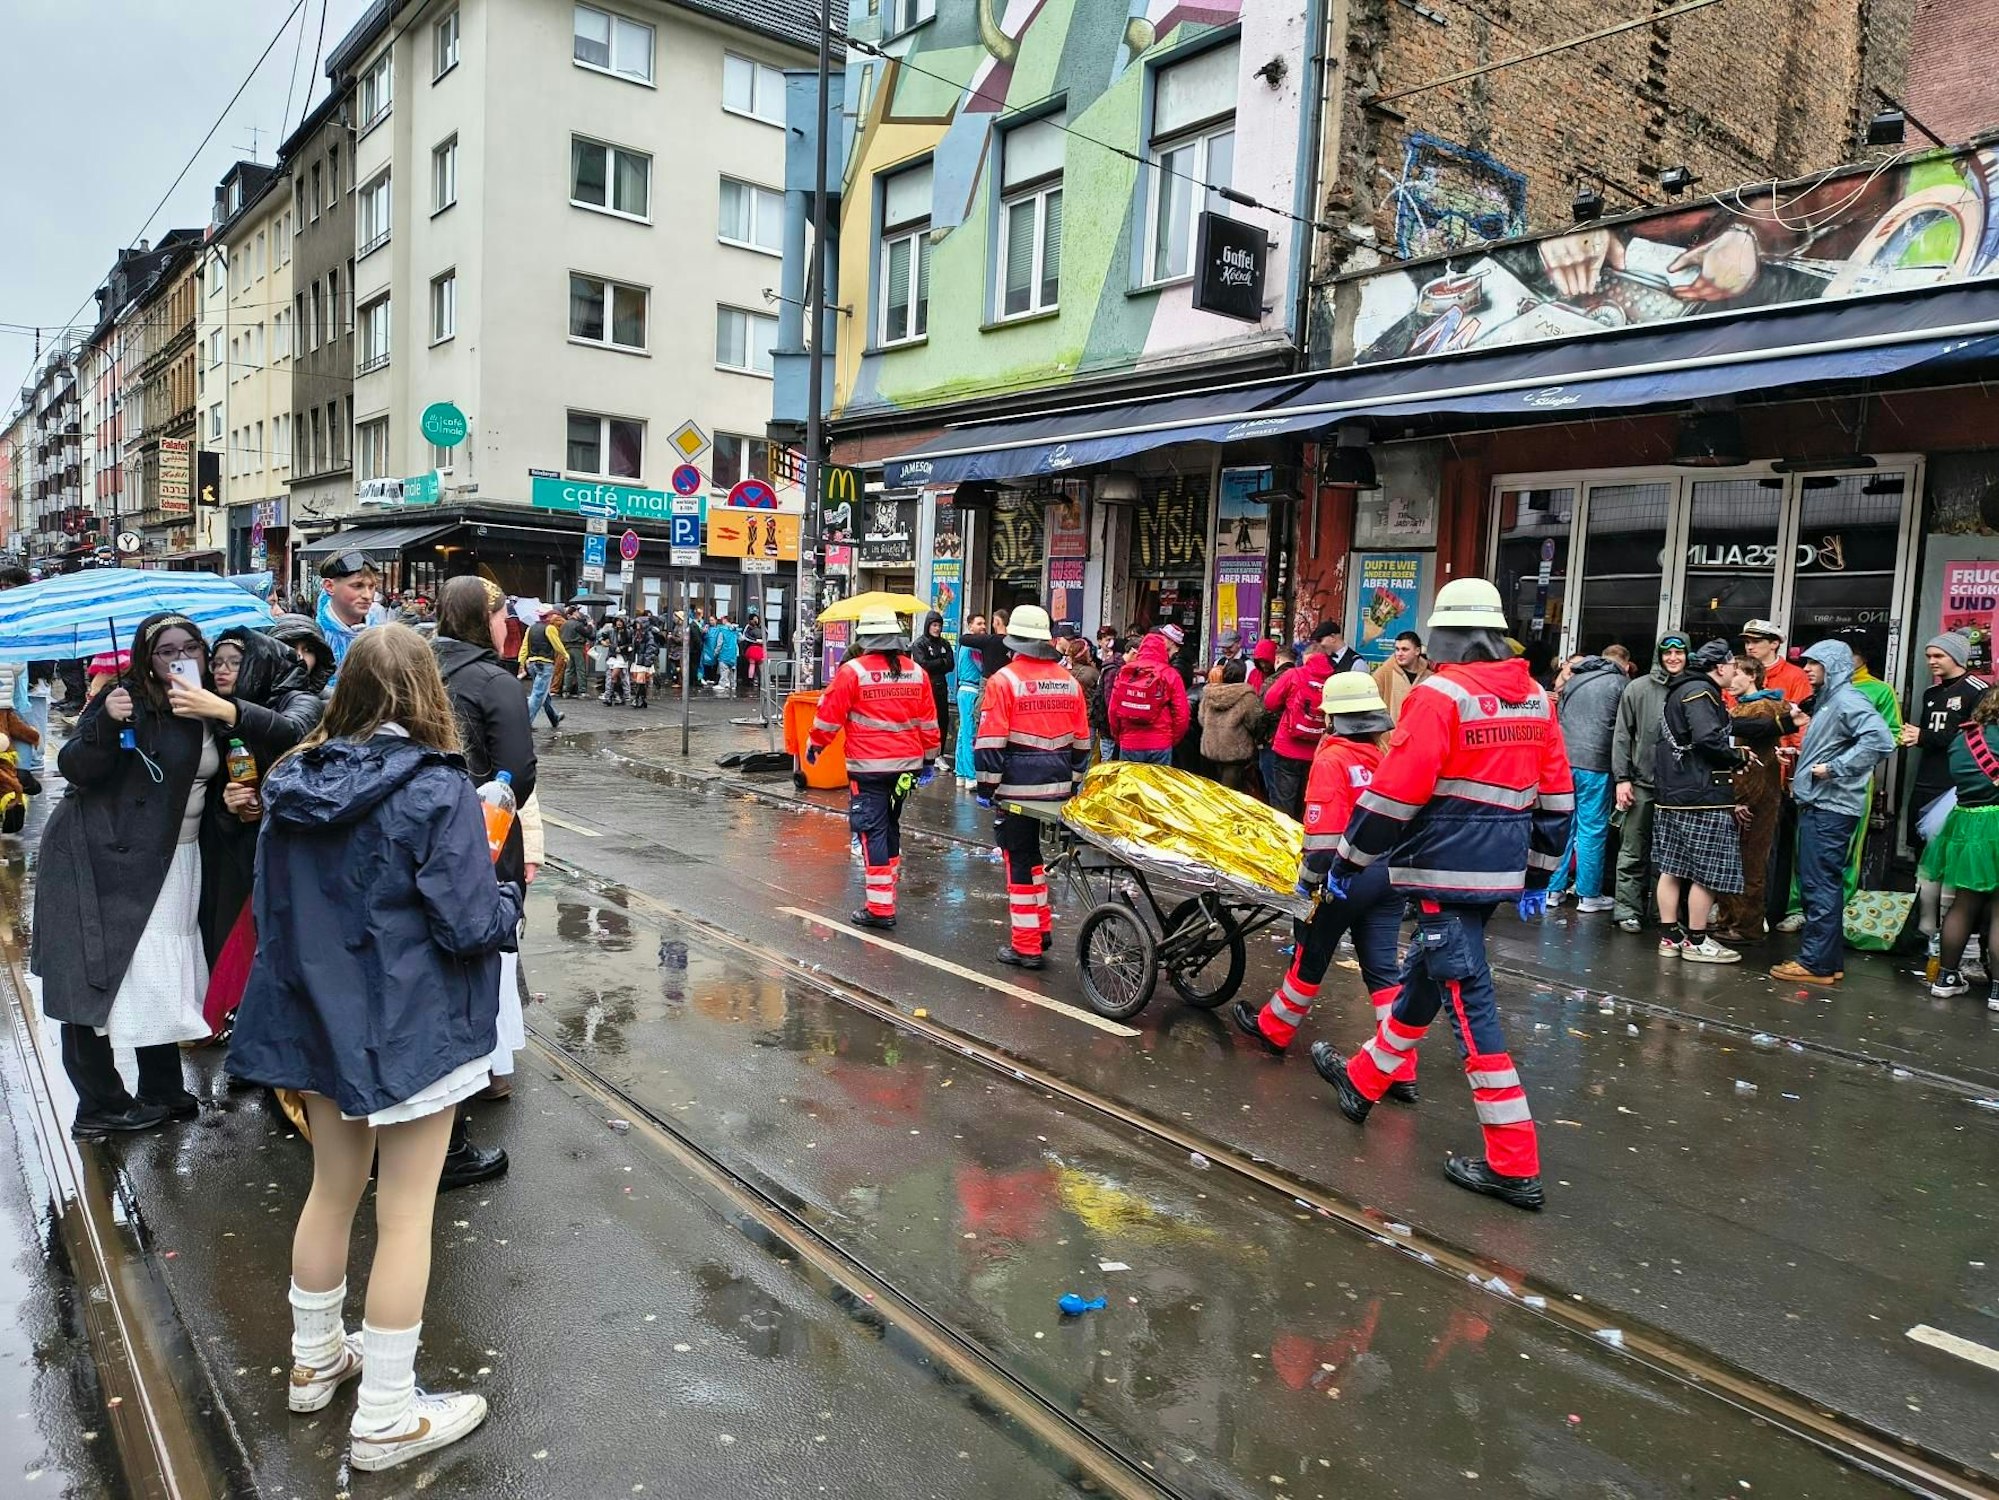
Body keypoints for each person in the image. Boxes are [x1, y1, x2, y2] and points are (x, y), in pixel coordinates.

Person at [226, 625, 521, 1472]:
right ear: (427, 692)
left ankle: (316, 1359)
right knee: (405, 1215)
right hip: (413, 1028)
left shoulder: (290, 781)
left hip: (317, 1021)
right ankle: (388, 1412)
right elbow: (468, 926)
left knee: (332, 1189)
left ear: (345, 689)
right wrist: (505, 896)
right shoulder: (438, 789)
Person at [1310, 579, 1570, 1212]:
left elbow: (1393, 796)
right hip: (1496, 877)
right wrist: (1537, 876)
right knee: (1429, 975)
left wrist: (1346, 860)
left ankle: (1513, 1163)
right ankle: (1365, 1080)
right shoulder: (1536, 699)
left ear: (1446, 636)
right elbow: (1556, 799)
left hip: (1440, 878)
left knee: (1469, 1006)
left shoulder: (1438, 697)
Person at [31, 614, 229, 1138]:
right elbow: (75, 765)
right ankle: (100, 1104)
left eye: (191, 647)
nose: (180, 657)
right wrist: (105, 721)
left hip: (175, 856)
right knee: (98, 972)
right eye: (166, 650)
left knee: (156, 969)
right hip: (101, 855)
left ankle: (161, 1087)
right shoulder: (124, 698)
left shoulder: (208, 703)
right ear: (147, 658)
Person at [1234, 673, 1409, 1072]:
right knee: (1383, 971)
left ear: (1333, 720)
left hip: (1346, 877)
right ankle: (1398, 1066)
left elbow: (1324, 840)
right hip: (1389, 876)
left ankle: (1275, 1029)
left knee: (1310, 953)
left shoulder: (1333, 759)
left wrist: (1306, 887)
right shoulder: (1384, 758)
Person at [430, 576, 536, 1186]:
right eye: (502, 616)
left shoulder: (419, 661)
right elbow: (517, 772)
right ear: (484, 618)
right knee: (488, 935)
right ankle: (488, 1070)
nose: (507, 627)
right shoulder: (495, 680)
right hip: (482, 833)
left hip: (417, 826)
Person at [179, 627, 327, 1036]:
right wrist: (228, 805)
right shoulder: (214, 712)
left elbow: (294, 730)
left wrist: (230, 711)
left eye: (234, 662)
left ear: (259, 664)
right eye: (218, 661)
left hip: (292, 847)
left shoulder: (300, 699)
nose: (222, 670)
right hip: (241, 844)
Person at [1768, 640, 1896, 987]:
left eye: (1815, 663)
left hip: (1830, 807)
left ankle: (1815, 964)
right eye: (1806, 662)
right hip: (1824, 804)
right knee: (1821, 883)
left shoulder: (1846, 700)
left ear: (1834, 665)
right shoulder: (1830, 700)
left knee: (1819, 884)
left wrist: (1834, 768)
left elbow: (1881, 740)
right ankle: (1827, 961)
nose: (1807, 669)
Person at [807, 608, 941, 929]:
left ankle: (880, 909)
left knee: (872, 830)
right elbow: (929, 722)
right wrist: (929, 759)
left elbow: (829, 714)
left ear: (866, 640)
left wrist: (816, 744)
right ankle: (886, 895)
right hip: (906, 767)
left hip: (868, 768)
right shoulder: (916, 672)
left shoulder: (853, 672)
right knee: (890, 826)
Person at [975, 605, 1092, 970]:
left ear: (1015, 642)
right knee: (1034, 858)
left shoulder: (1003, 681)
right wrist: (1071, 785)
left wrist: (986, 788)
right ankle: (1040, 929)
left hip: (1016, 789)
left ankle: (1026, 945)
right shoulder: (1068, 681)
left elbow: (991, 743)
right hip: (1056, 787)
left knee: (1019, 861)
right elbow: (1082, 744)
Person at [1651, 639, 1750, 964]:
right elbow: (1708, 737)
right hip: (1701, 795)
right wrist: (1735, 757)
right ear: (1719, 666)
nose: (1735, 672)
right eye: (1733, 666)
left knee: (1672, 867)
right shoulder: (1701, 691)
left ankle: (1670, 936)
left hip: (1673, 794)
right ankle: (1696, 940)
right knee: (1706, 871)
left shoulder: (1679, 689)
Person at [1902, 632, 1988, 965]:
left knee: (1957, 867)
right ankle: (1927, 936)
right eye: (1928, 656)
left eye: (1938, 656)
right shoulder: (1931, 692)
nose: (1932, 662)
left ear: (1957, 656)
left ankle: (1963, 949)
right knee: (1925, 861)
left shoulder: (1977, 691)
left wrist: (1924, 735)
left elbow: (1975, 740)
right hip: (1926, 781)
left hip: (1955, 789)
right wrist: (1916, 737)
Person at [1919, 684, 1999, 1008]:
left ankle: (1946, 977)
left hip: (1965, 822)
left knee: (1964, 903)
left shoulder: (1962, 739)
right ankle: (1998, 991)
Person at [1712, 656, 1795, 945]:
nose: (1730, 680)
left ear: (1751, 676)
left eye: (1736, 674)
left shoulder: (1762, 707)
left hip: (1755, 796)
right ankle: (1731, 920)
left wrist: (1742, 799)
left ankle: (1746, 925)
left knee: (1750, 863)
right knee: (1736, 860)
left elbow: (1756, 765)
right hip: (1749, 793)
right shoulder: (1747, 706)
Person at [1610, 634, 1686, 932]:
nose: (1673, 658)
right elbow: (1621, 735)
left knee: (1672, 854)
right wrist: (1622, 778)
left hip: (1679, 788)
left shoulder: (1691, 688)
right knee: (1632, 849)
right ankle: (1627, 909)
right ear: (1659, 655)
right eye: (1667, 653)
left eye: (1679, 652)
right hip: (1641, 783)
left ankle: (1663, 912)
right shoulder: (1637, 688)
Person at [1548, 650, 1623, 913]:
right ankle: (1589, 895)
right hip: (1596, 764)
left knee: (1564, 826)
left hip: (1565, 762)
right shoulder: (1618, 683)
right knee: (1591, 828)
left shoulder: (1575, 680)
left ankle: (1553, 890)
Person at [1261, 622, 1341, 818]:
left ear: (1308, 658)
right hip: (1319, 750)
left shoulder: (1294, 674)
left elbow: (1269, 702)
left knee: (1283, 801)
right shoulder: (1336, 680)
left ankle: (1284, 843)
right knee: (1309, 801)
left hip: (1288, 747)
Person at [1106, 626, 1190, 766]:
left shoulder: (1125, 672)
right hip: (1160, 743)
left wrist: (1119, 737)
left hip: (1129, 742)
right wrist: (1170, 739)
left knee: (1131, 786)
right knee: (1156, 786)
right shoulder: (1170, 674)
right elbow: (1182, 714)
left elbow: (1113, 710)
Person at [1198, 658, 1263, 792]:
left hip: (1209, 751)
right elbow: (1254, 723)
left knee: (1210, 794)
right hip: (1234, 754)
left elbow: (1201, 719)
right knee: (1230, 796)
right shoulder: (1247, 696)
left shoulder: (1209, 694)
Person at [314, 549, 381, 674]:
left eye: (371, 586)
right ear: (329, 586)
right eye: (357, 586)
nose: (368, 595)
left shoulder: (383, 637)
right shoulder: (315, 640)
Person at [516, 608, 568, 731]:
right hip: (545, 664)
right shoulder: (550, 628)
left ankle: (554, 717)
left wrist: (521, 662)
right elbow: (557, 645)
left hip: (532, 663)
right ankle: (526, 722)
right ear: (548, 616)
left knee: (543, 692)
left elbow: (524, 647)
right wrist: (566, 655)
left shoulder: (530, 628)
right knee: (538, 694)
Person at [953, 614, 988, 790]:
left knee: (962, 734)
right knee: (969, 734)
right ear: (970, 626)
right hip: (971, 691)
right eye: (979, 623)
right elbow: (983, 668)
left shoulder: (968, 645)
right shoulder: (973, 646)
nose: (984, 626)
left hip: (965, 691)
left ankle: (960, 773)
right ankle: (970, 776)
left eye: (984, 623)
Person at [268, 613, 336, 699]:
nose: (300, 657)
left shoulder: (333, 703)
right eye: (290, 647)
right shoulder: (252, 697)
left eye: (308, 650)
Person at [912, 611, 956, 741]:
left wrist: (936, 663)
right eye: (934, 625)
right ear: (928, 625)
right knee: (926, 720)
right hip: (926, 687)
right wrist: (941, 661)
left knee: (942, 720)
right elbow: (923, 665)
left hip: (941, 687)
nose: (937, 629)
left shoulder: (944, 644)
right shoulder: (919, 643)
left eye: (939, 626)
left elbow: (951, 665)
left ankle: (940, 752)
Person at [1370, 631, 1429, 722]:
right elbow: (1372, 707)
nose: (1399, 654)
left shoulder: (1429, 676)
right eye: (1397, 649)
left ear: (1417, 651)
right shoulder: (1384, 673)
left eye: (1404, 649)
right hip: (1393, 733)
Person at [559, 607, 594, 700]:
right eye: (577, 611)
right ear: (573, 613)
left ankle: (566, 691)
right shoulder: (577, 624)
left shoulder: (564, 624)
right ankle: (582, 691)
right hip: (577, 647)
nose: (579, 613)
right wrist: (590, 625)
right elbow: (589, 634)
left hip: (567, 647)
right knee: (580, 669)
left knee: (569, 669)